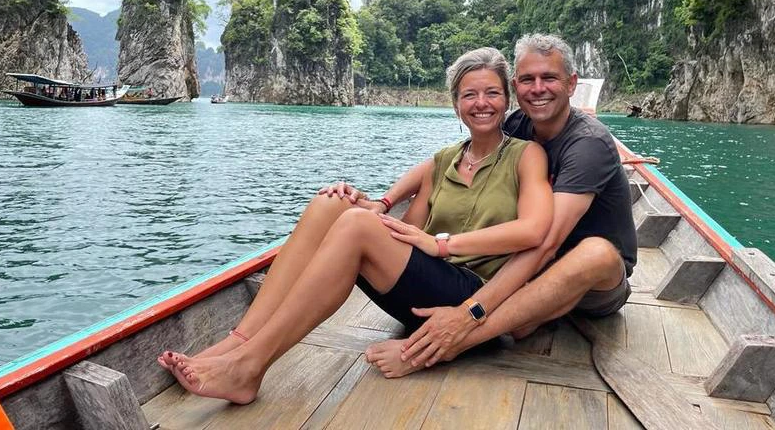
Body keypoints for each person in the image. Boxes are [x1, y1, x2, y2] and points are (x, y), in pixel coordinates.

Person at [157, 47, 553, 403]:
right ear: (455, 104)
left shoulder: (526, 155)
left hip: (472, 304)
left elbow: (535, 230)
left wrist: (443, 244)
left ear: (507, 101)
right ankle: (237, 342)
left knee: (357, 224)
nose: (481, 103)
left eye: (492, 93)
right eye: (469, 94)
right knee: (332, 204)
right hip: (421, 296)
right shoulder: (442, 161)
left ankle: (249, 367)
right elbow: (406, 233)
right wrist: (360, 202)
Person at [328, 33, 637, 378]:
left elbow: (546, 242)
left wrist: (468, 312)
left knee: (595, 253)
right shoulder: (521, 123)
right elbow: (440, 162)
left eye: (549, 77)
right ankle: (521, 316)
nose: (538, 89)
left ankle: (450, 344)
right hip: (530, 270)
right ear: (515, 88)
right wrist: (385, 202)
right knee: (522, 311)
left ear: (571, 84)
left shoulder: (587, 144)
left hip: (590, 284)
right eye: (527, 80)